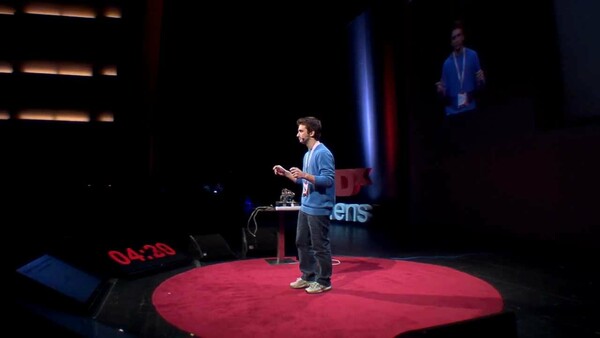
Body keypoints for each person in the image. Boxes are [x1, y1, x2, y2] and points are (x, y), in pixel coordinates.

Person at [272, 116, 336, 294]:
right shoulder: (307, 154)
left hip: (319, 207)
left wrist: (305, 175)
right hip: (306, 206)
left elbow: (329, 180)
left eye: (301, 131)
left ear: (312, 132)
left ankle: (323, 281)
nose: (297, 134)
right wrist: (286, 173)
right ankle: (308, 276)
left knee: (319, 245)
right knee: (301, 241)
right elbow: (304, 182)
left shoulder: (323, 152)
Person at [436, 20, 485, 116]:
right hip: (453, 112)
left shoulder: (473, 55)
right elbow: (443, 96)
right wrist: (440, 92)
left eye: (459, 35)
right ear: (451, 42)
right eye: (454, 38)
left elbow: (480, 87)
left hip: (470, 109)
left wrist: (482, 81)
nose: (457, 40)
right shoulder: (447, 64)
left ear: (463, 37)